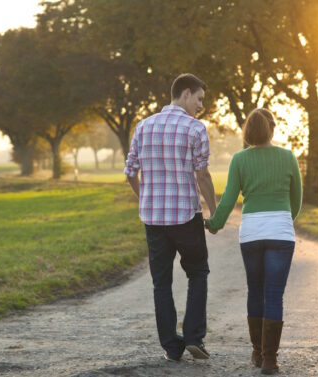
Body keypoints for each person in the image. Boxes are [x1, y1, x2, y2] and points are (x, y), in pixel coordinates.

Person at [124, 73, 217, 362]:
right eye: (199, 99)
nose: (200, 105)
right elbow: (202, 175)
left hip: (153, 220)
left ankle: (170, 347)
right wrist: (214, 212)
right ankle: (193, 337)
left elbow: (130, 172)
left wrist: (146, 199)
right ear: (186, 94)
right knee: (198, 272)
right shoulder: (195, 129)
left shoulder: (143, 126)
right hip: (186, 217)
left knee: (161, 283)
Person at [205, 108, 302, 375]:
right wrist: (282, 221)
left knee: (255, 291)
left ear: (248, 131)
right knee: (274, 295)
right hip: (280, 233)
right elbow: (297, 201)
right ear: (272, 129)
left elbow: (228, 199)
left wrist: (214, 224)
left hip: (251, 233)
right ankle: (270, 360)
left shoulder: (239, 160)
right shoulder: (288, 157)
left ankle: (258, 353)